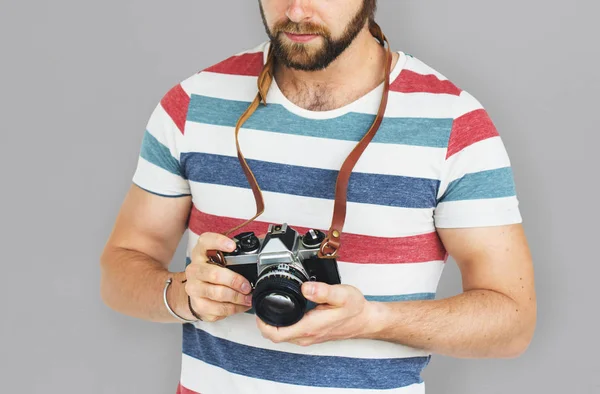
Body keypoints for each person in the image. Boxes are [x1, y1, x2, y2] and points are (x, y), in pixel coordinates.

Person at [100, 1, 537, 393]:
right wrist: (184, 295)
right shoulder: (193, 103)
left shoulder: (455, 125)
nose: (295, 11)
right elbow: (121, 268)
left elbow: (512, 322)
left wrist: (376, 320)